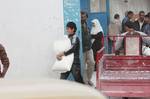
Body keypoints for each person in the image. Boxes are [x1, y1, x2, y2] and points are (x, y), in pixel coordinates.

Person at [81, 11, 95, 86]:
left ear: (86, 17)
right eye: (81, 17)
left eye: (84, 17)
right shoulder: (78, 25)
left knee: (92, 63)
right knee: (83, 66)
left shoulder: (86, 25)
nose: (82, 18)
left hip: (89, 48)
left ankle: (88, 79)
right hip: (82, 49)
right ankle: (85, 81)